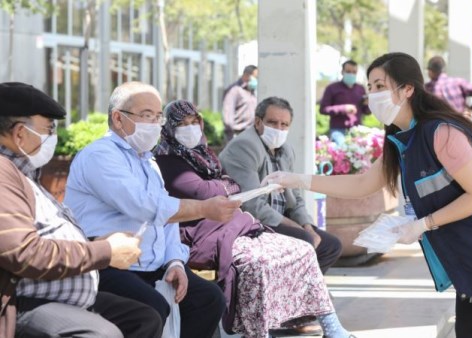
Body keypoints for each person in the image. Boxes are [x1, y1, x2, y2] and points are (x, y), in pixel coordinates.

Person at [264, 52, 472, 338]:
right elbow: (363, 184)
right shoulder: (399, 140)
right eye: (370, 87)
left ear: (407, 89)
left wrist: (423, 224)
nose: (372, 94)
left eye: (380, 86)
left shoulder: (441, 132)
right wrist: (297, 180)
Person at [153, 99, 354, 338]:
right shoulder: (167, 159)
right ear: (169, 128)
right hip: (199, 232)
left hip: (232, 224)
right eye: (182, 123)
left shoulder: (203, 153)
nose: (189, 128)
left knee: (305, 249)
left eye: (193, 121)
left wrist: (305, 223)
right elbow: (203, 192)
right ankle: (258, 332)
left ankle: (331, 328)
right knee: (257, 263)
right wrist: (222, 187)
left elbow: (232, 187)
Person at [64, 81, 242, 338]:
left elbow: (165, 221)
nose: (155, 124)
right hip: (109, 263)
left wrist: (175, 262)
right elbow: (145, 207)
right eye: (147, 116)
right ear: (118, 118)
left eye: (158, 116)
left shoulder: (148, 161)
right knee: (153, 307)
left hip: (153, 264)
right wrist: (204, 208)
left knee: (208, 299)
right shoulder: (100, 155)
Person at [0, 82, 162, 338]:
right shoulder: (3, 173)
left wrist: (96, 242)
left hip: (62, 292)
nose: (53, 137)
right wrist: (103, 251)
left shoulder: (25, 173)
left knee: (144, 318)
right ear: (19, 133)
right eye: (48, 130)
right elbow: (22, 252)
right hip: (21, 302)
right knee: (102, 334)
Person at [219, 96, 343, 275]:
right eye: (272, 123)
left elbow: (296, 198)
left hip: (279, 217)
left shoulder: (286, 150)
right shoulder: (244, 146)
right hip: (255, 222)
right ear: (258, 122)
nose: (279, 129)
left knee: (330, 246)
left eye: (284, 125)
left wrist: (307, 225)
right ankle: (295, 294)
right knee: (305, 240)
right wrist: (298, 229)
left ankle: (300, 295)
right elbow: (252, 205)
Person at [320, 60, 370, 145]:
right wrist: (343, 108)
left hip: (356, 131)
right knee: (341, 150)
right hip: (338, 130)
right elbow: (323, 109)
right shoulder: (332, 88)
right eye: (348, 71)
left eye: (354, 72)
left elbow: (366, 111)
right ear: (342, 72)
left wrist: (368, 104)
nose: (351, 74)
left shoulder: (360, 89)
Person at [222, 65, 258, 142]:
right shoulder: (234, 90)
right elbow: (228, 114)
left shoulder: (252, 91)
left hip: (250, 134)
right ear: (246, 75)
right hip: (237, 134)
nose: (256, 80)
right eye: (255, 77)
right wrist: (231, 137)